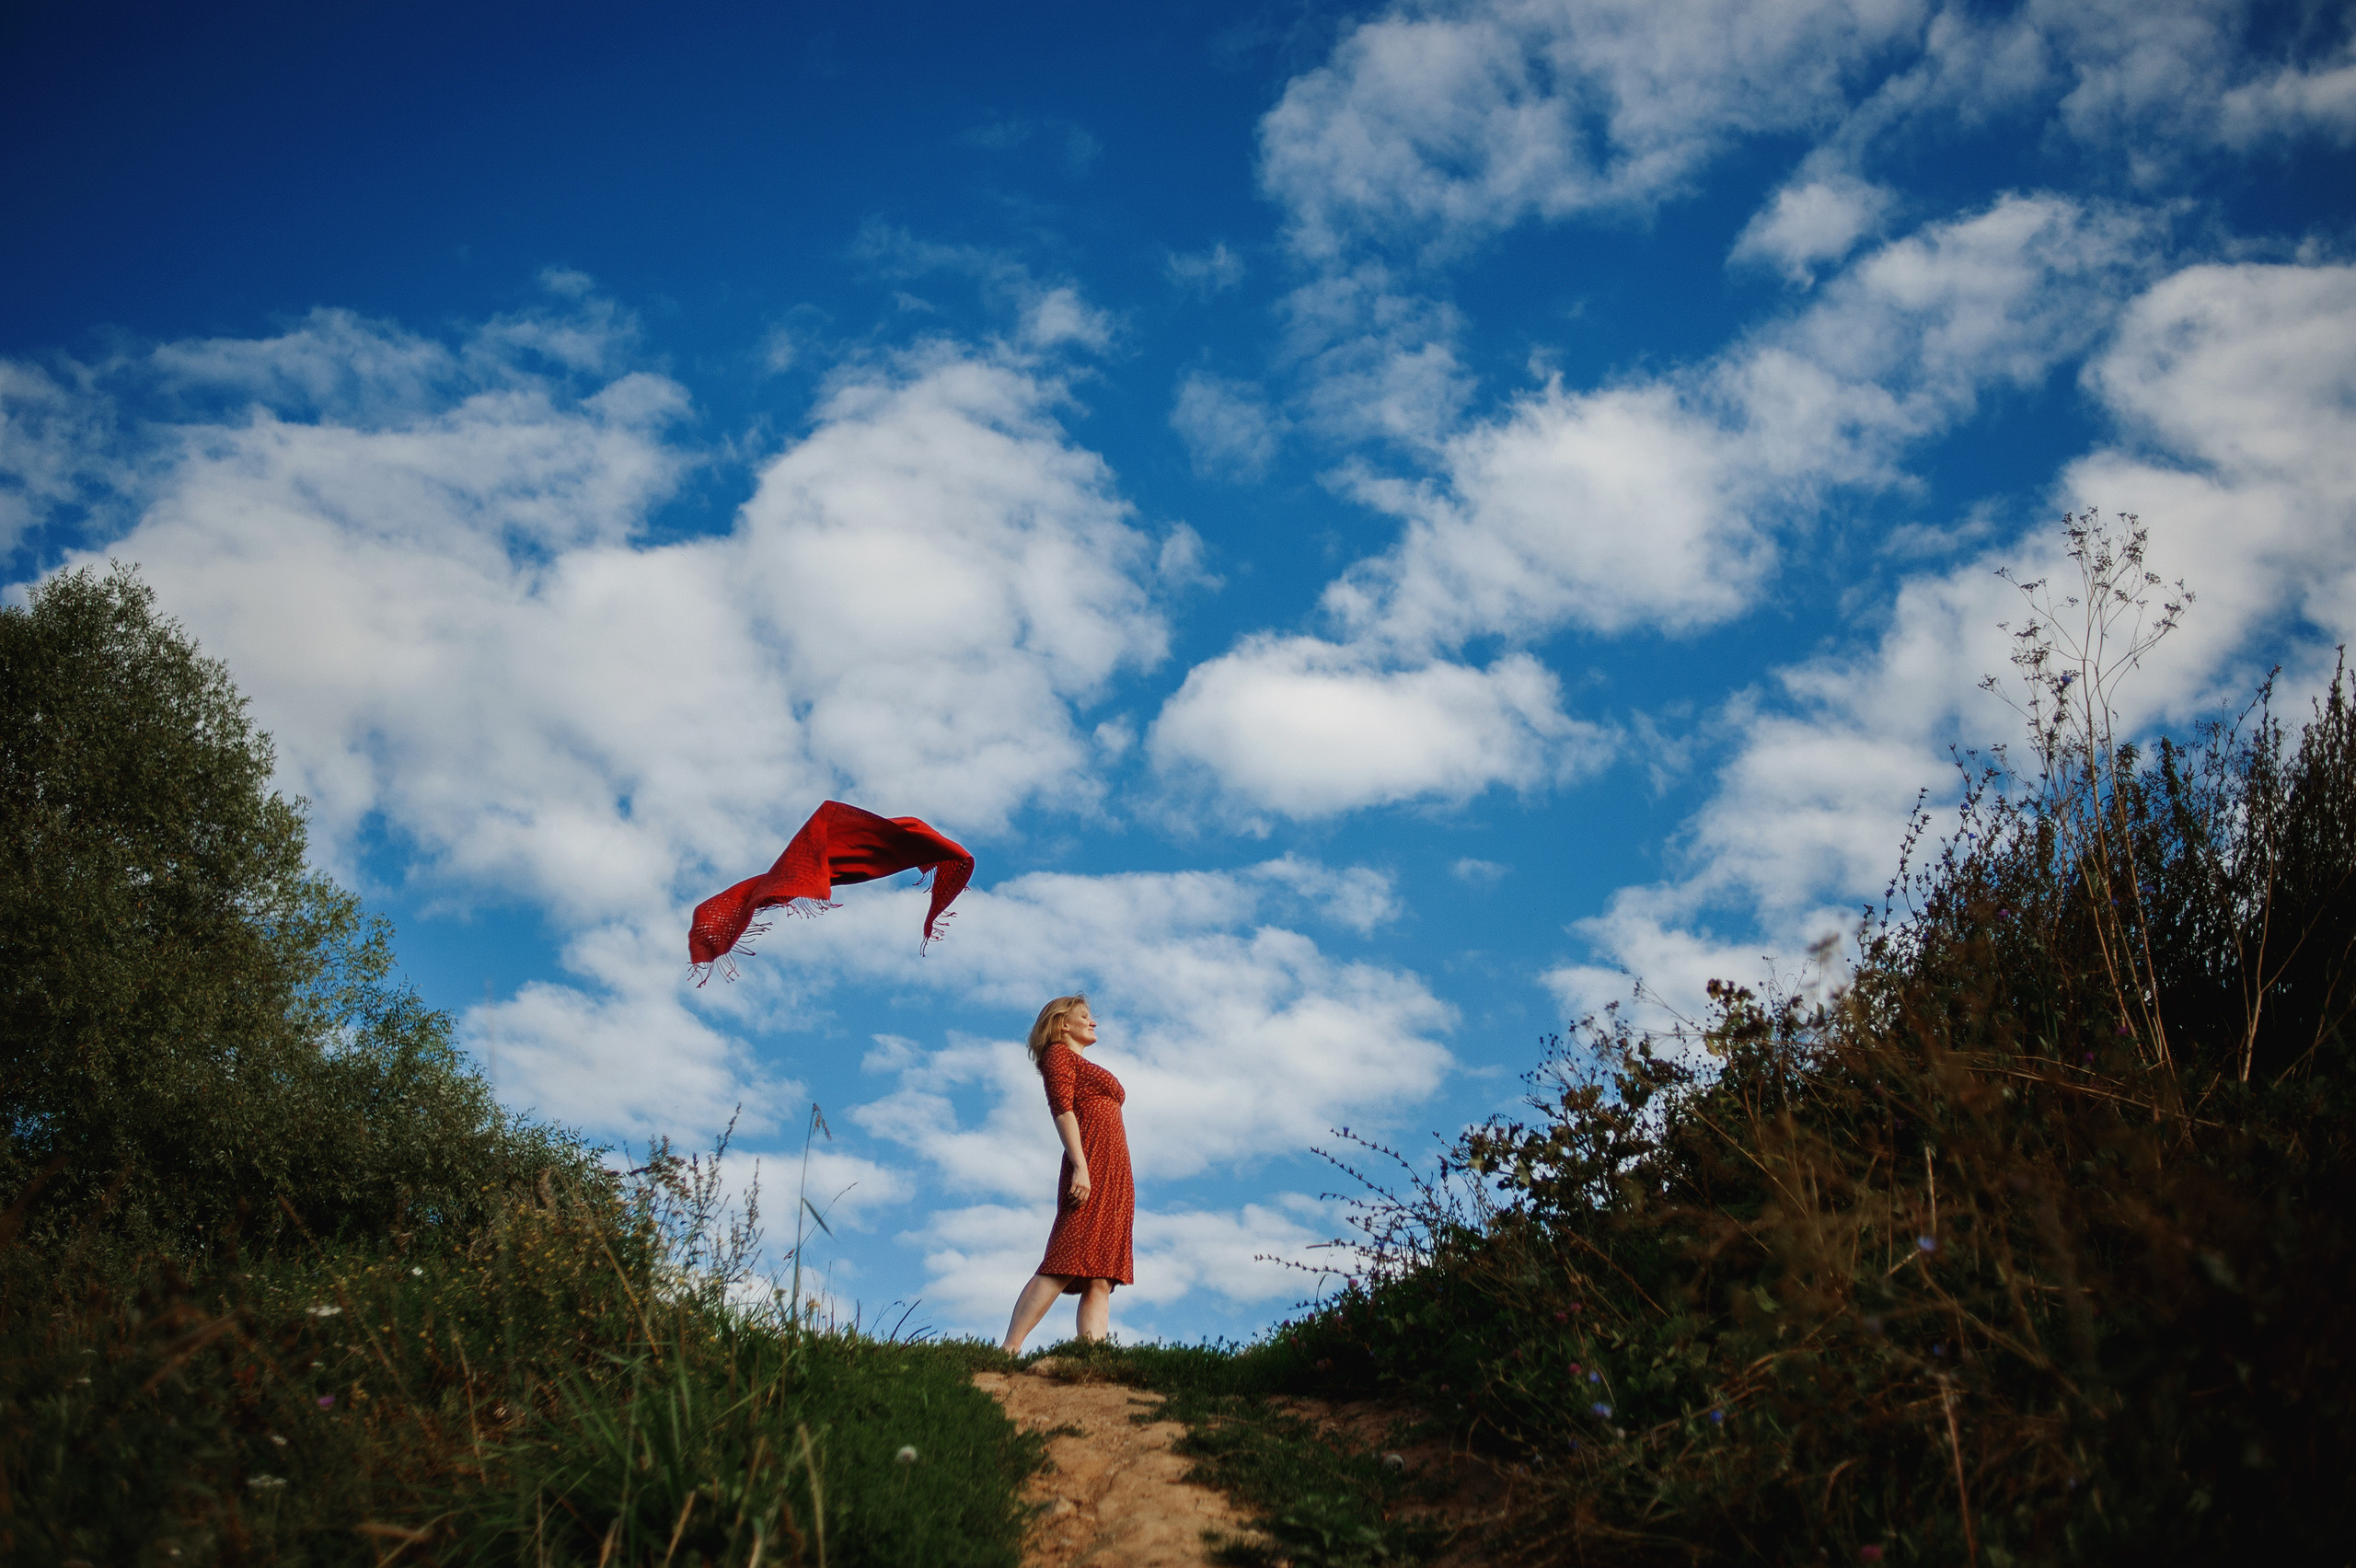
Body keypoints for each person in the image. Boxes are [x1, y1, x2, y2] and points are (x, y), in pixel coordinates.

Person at [1000, 993, 1134, 1354]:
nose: (1093, 1022)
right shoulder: (1058, 1055)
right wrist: (1080, 1165)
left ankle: (1092, 1357)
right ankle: (1009, 1349)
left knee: (1102, 1275)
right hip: (1089, 1163)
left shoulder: (1079, 1060)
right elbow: (1062, 1110)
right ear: (1063, 1023)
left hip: (1114, 1169)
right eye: (1085, 1016)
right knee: (1063, 1260)